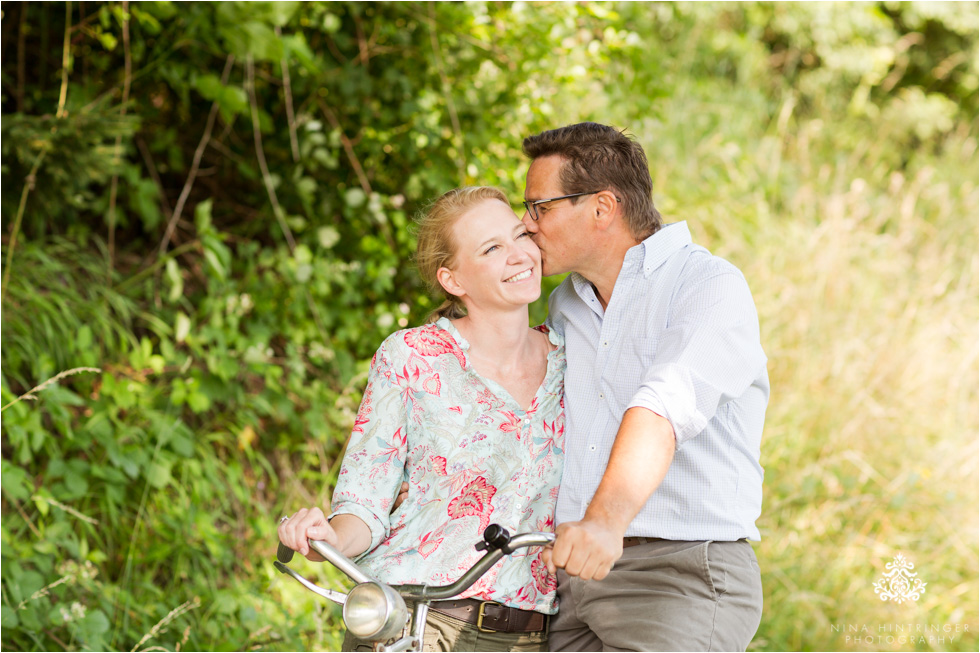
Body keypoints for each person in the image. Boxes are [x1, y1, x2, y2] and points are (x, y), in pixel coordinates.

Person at [278, 186, 566, 652]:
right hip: (416, 622)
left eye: (519, 235)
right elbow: (365, 503)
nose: (519, 255)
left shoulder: (572, 363)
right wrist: (328, 537)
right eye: (492, 249)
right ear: (453, 280)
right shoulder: (412, 357)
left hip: (528, 635)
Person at [519, 122, 769, 652]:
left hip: (678, 574)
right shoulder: (566, 303)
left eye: (540, 207)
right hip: (570, 574)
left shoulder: (707, 285)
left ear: (602, 208)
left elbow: (663, 406)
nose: (527, 225)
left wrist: (605, 523)